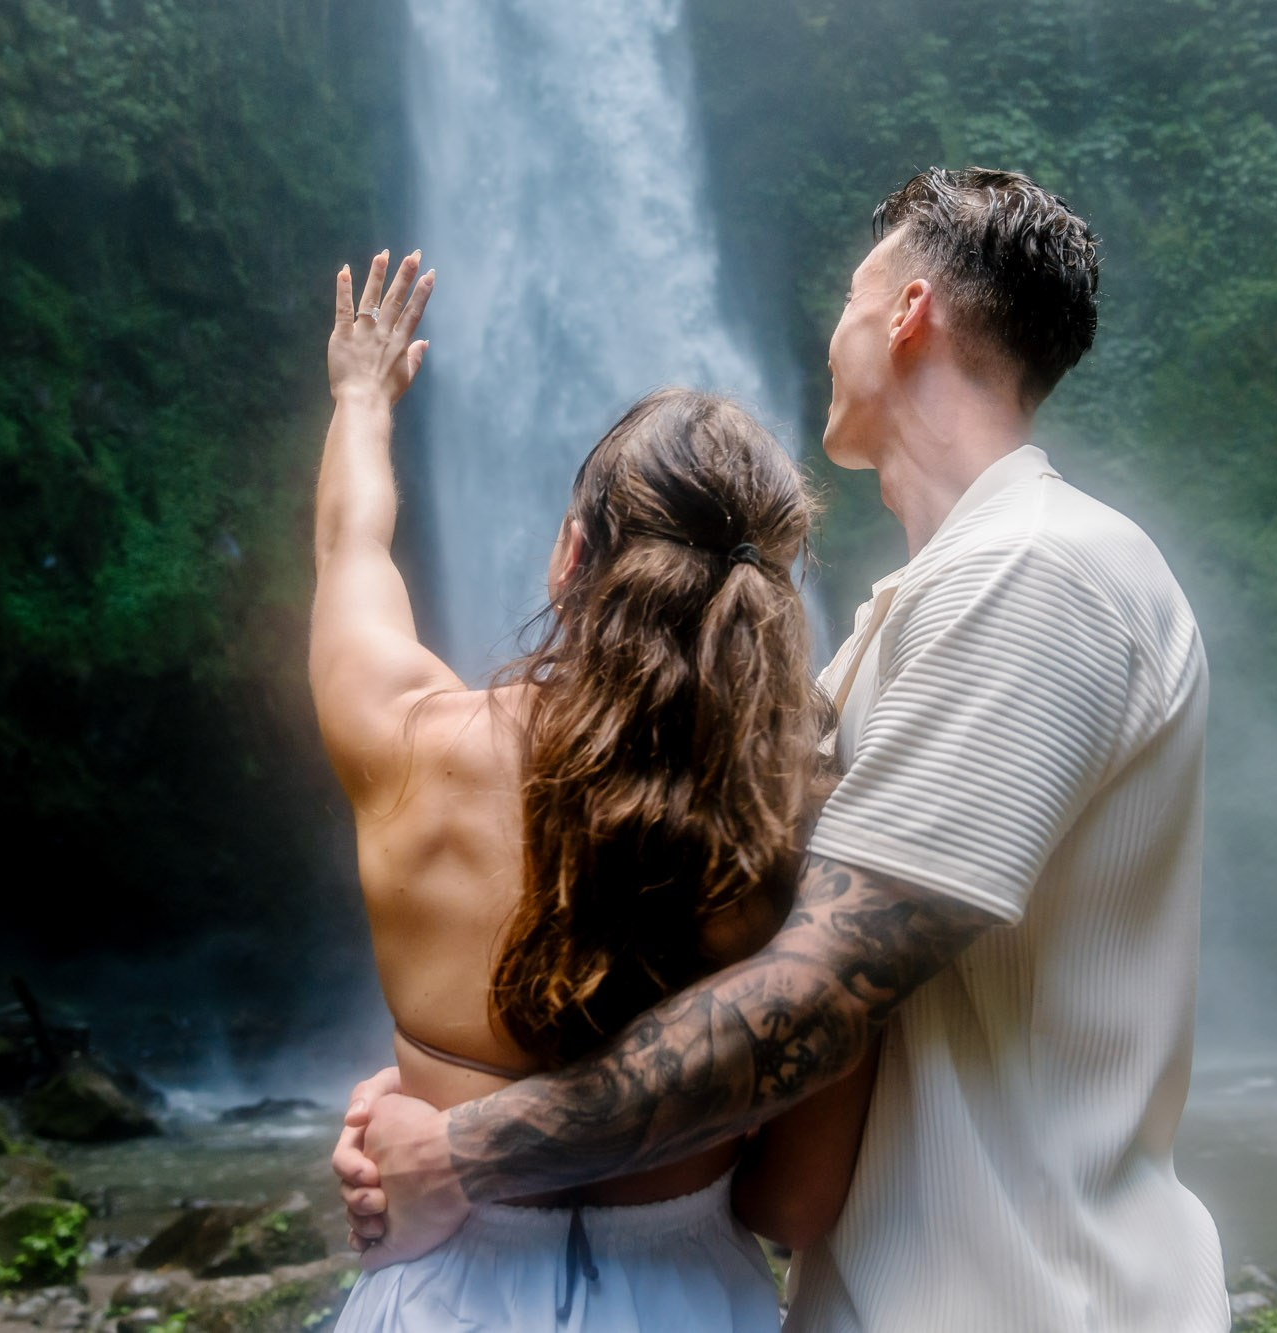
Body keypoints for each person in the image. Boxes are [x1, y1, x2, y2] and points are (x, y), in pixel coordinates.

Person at [334, 168, 1232, 1331]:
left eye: (850, 298)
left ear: (906, 312)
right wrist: (448, 1082)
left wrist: (459, 1143)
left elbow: (811, 996)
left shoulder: (1037, 572)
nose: (830, 333)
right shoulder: (895, 633)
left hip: (1032, 1299)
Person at [310, 248, 876, 1330]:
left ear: (571, 557)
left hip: (442, 1294)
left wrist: (359, 399)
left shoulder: (404, 738)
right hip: (686, 1298)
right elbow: (793, 1205)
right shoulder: (800, 825)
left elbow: (350, 547)